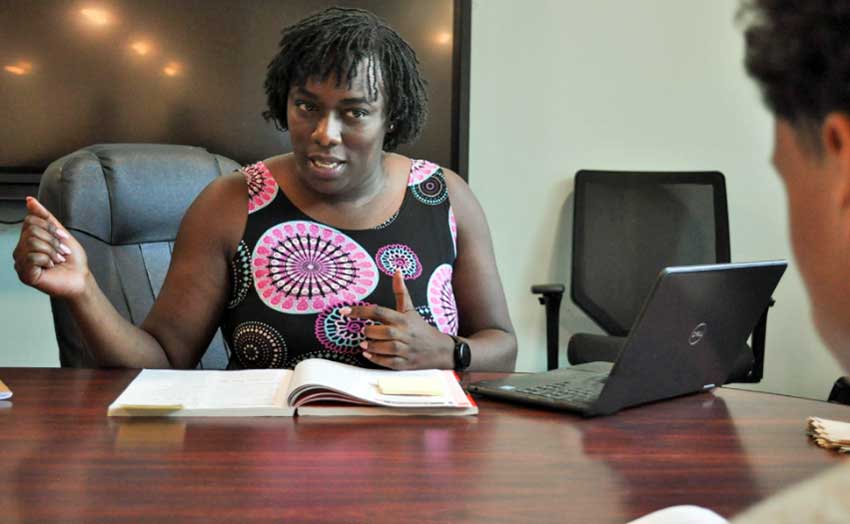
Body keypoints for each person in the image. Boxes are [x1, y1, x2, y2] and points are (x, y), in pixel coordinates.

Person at [11, 7, 517, 372]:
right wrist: (83, 291)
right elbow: (161, 361)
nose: (326, 133)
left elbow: (503, 344)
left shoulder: (443, 195)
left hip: (419, 466)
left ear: (393, 117)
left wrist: (450, 352)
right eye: (307, 106)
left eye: (355, 112)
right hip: (265, 464)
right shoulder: (231, 203)